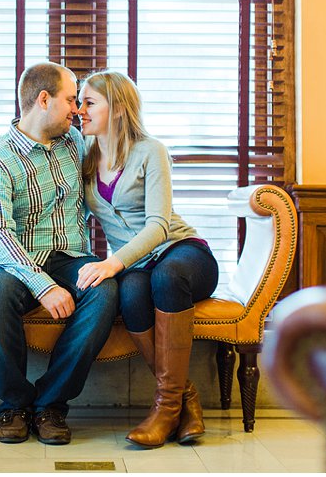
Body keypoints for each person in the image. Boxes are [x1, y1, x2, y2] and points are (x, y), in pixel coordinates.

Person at [0, 62, 119, 446]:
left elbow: (120, 154)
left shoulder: (76, 142)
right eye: (71, 99)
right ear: (43, 100)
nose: (77, 109)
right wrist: (42, 286)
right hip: (18, 258)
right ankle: (15, 405)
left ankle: (51, 405)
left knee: (105, 291)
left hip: (72, 256)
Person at [75, 70, 219, 449]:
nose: (79, 110)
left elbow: (157, 227)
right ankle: (182, 399)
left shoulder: (150, 151)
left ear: (118, 108)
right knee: (131, 294)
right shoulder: (85, 158)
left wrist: (111, 263)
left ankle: (164, 410)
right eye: (78, 101)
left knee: (165, 278)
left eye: (89, 102)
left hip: (182, 253)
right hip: (138, 265)